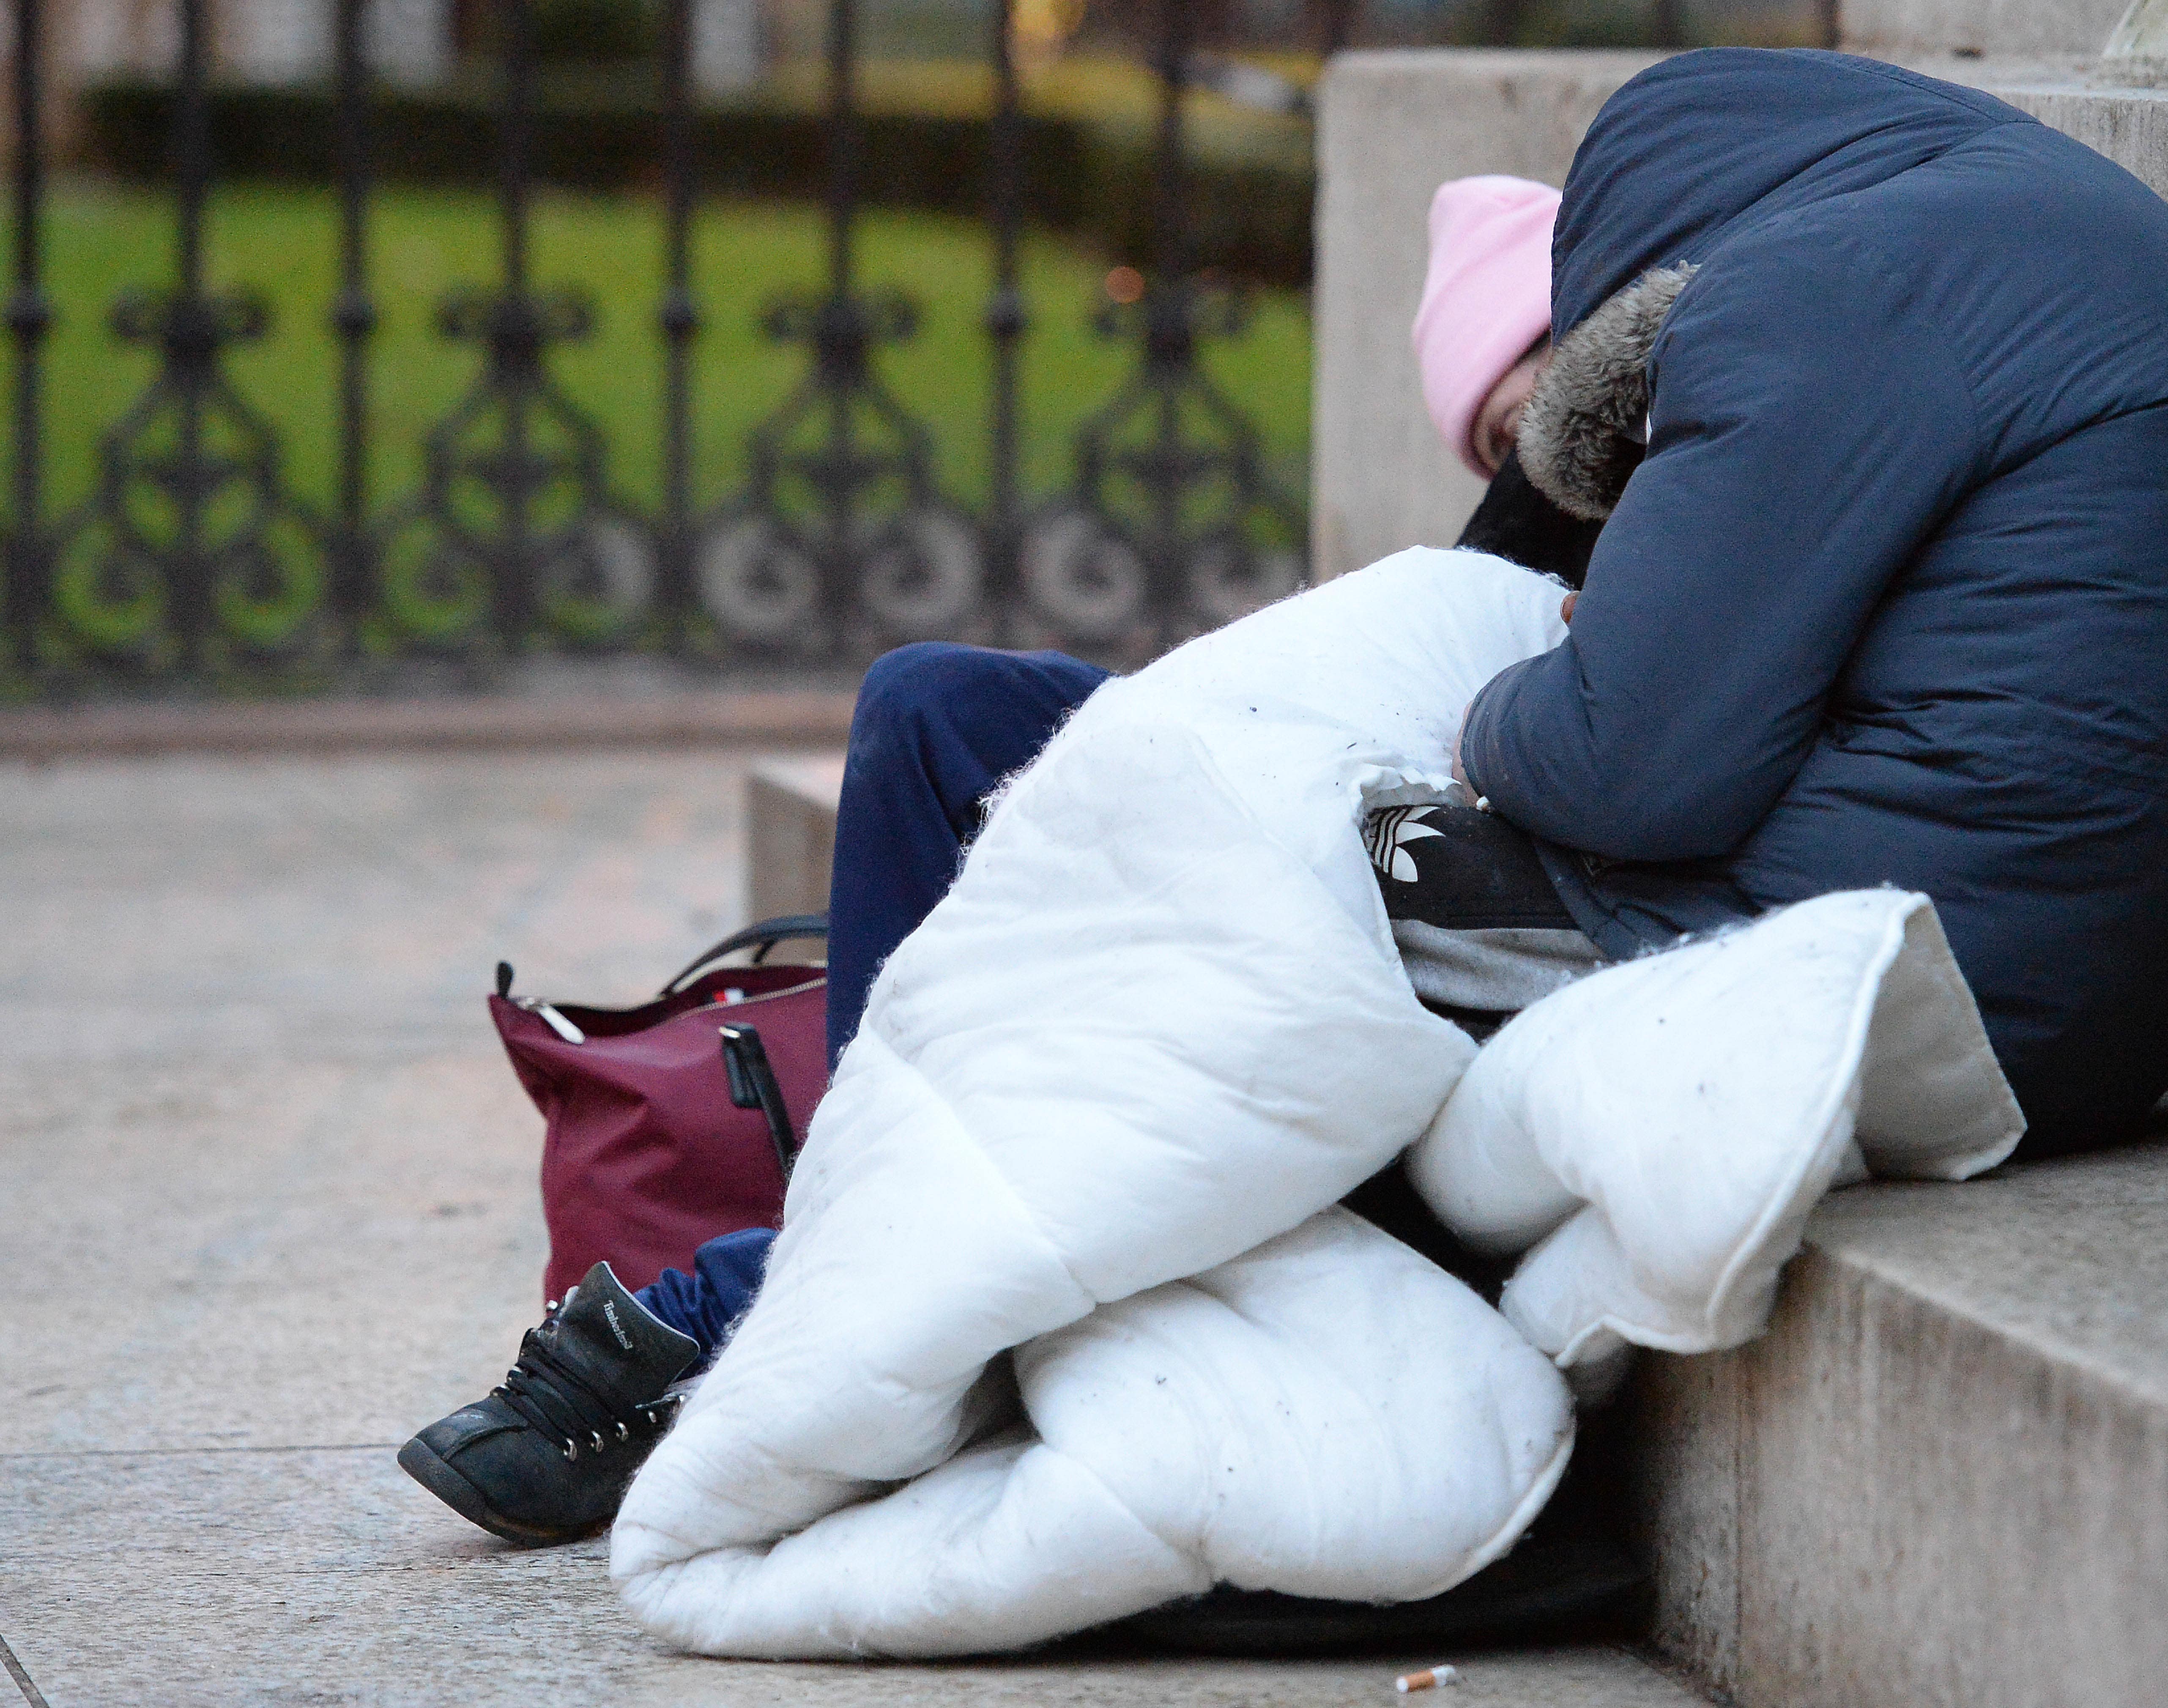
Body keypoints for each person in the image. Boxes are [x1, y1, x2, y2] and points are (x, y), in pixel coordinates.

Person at [399, 172, 1593, 1547]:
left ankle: (806, 1289)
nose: (1534, 470)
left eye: (1542, 416)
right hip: (1361, 810)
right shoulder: (1572, 510)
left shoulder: (1717, 451)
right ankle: (857, 1217)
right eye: (1505, 445)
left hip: (1457, 890)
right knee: (930, 705)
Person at [1461, 49, 2168, 1155]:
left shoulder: (1812, 288)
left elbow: (1624, 771)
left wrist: (1479, 722)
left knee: (1303, 863)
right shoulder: (2021, 227)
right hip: (2102, 1017)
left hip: (1911, 968)